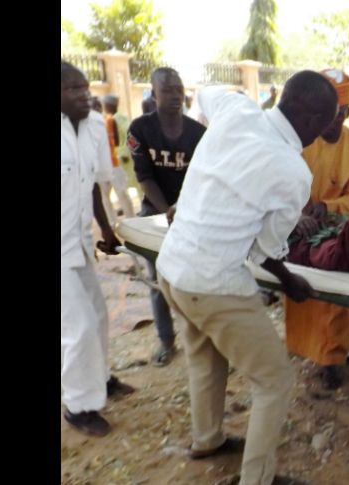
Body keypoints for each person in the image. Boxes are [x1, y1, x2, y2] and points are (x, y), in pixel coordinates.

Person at [156, 71, 339, 485]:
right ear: (311, 120)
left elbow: (203, 93)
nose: (326, 130)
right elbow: (264, 251)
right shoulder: (293, 172)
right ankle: (257, 479)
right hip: (213, 283)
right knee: (274, 380)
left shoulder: (236, 107)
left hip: (172, 267)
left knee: (204, 355)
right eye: (327, 121)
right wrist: (289, 280)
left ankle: (208, 439)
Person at [284, 69, 349, 390]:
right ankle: (308, 349)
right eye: (321, 115)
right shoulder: (300, 141)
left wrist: (328, 207)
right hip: (298, 228)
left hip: (336, 233)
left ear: (347, 112)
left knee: (337, 297)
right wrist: (298, 214)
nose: (327, 122)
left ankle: (333, 359)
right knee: (302, 294)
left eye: (336, 114)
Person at [61, 61, 134, 437]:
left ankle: (100, 379)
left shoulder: (91, 126)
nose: (83, 94)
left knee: (99, 315)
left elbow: (93, 185)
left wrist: (106, 228)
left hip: (81, 240)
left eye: (84, 87)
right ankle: (77, 405)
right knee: (79, 326)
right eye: (72, 88)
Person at [127, 67, 207, 367]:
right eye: (168, 90)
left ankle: (201, 334)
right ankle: (166, 339)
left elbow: (202, 177)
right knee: (159, 277)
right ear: (153, 93)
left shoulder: (198, 133)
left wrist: (184, 208)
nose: (175, 95)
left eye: (179, 89)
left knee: (196, 274)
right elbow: (144, 176)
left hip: (191, 211)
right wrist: (167, 210)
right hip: (155, 212)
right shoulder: (140, 130)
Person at [100, 95, 136, 222]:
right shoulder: (114, 119)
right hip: (107, 163)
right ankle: (115, 221)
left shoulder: (112, 120)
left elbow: (119, 140)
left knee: (120, 193)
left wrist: (123, 153)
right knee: (109, 195)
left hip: (114, 161)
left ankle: (129, 220)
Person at [103, 94, 142, 199]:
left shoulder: (117, 119)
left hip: (123, 156)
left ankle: (143, 205)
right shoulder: (113, 118)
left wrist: (126, 152)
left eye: (105, 105)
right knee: (122, 183)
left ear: (109, 105)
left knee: (136, 182)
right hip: (118, 155)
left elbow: (130, 132)